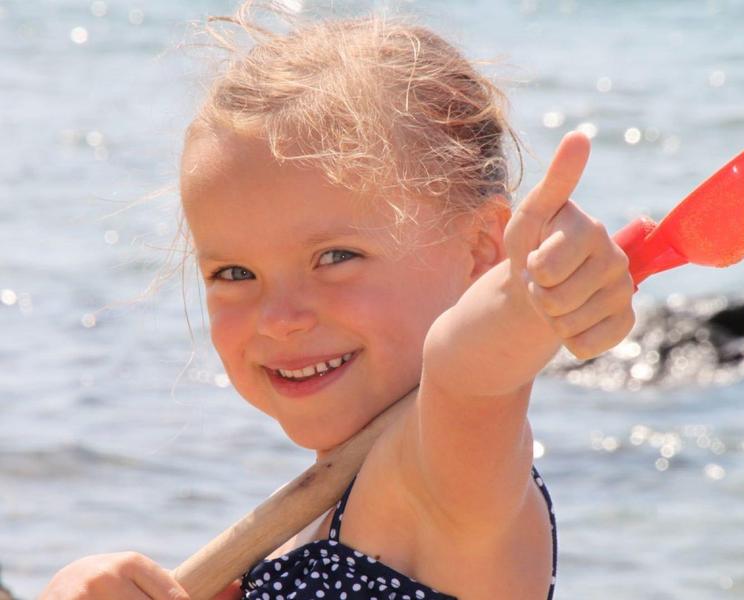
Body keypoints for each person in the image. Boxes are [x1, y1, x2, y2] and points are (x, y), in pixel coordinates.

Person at [41, 4, 634, 599]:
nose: (280, 319)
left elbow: (470, 375)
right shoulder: (299, 528)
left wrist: (529, 295)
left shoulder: (443, 483)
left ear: (481, 248)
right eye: (235, 272)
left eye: (335, 258)